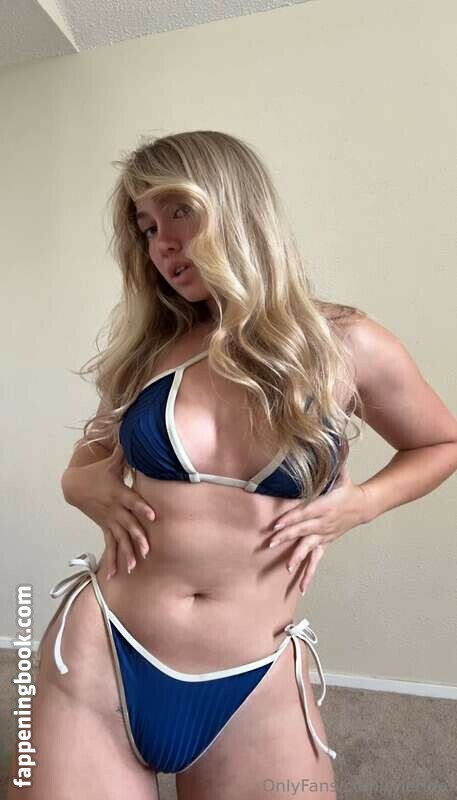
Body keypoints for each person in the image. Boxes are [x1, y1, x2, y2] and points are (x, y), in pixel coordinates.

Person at [8, 130, 457, 800]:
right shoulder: (150, 350)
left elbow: (440, 443)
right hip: (105, 649)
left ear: (235, 207)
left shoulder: (345, 344)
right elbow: (92, 453)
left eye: (178, 212)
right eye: (146, 227)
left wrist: (362, 503)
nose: (162, 243)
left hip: (256, 670)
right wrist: (79, 484)